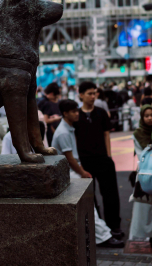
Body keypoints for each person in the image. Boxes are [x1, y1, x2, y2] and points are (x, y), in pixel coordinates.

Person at [52, 99, 123, 248]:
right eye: (73, 112)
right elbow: (70, 159)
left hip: (72, 171)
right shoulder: (63, 132)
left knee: (90, 204)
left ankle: (103, 233)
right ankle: (104, 237)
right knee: (89, 204)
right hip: (69, 173)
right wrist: (83, 172)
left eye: (77, 110)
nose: (77, 114)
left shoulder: (69, 128)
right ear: (65, 113)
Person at [75, 80, 123, 239]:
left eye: (94, 93)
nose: (93, 96)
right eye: (89, 93)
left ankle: (114, 226)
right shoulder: (77, 115)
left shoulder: (101, 113)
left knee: (110, 195)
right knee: (90, 196)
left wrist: (109, 156)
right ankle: (96, 228)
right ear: (81, 95)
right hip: (85, 161)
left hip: (103, 159)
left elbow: (106, 134)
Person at [130, 105, 152, 243]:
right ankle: (149, 235)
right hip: (145, 173)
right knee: (145, 206)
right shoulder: (138, 134)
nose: (149, 118)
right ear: (142, 117)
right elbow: (141, 155)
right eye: (146, 116)